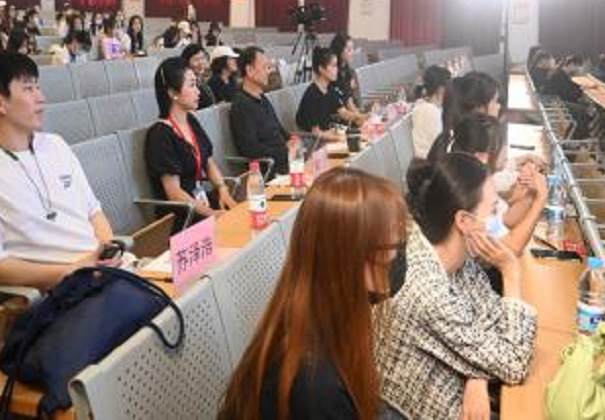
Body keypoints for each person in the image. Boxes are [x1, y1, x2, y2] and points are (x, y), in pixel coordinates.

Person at [219, 168, 407, 420]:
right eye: (393, 246)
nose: (397, 255)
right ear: (349, 257)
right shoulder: (315, 386)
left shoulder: (316, 318)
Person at [375, 154, 537, 419]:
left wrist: (476, 374)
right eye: (492, 210)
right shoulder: (427, 288)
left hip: (457, 387)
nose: (498, 219)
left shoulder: (451, 252)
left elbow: (491, 315)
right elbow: (515, 362)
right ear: (464, 221)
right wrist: (511, 272)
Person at [0, 52, 118, 289]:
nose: (41, 97)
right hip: (61, 292)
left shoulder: (56, 145)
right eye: (28, 89)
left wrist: (108, 252)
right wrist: (71, 274)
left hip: (107, 274)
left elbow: (93, 211)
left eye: (38, 87)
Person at [428, 113, 549, 257]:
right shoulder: (470, 191)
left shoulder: (471, 178)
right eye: (503, 146)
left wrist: (532, 194)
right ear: (482, 157)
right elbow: (509, 249)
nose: (507, 151)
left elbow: (503, 221)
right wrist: (540, 200)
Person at [145, 58, 237, 225]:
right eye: (192, 85)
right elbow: (174, 193)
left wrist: (222, 188)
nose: (198, 92)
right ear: (172, 92)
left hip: (201, 204)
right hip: (182, 216)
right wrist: (212, 214)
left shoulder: (191, 121)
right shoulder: (160, 135)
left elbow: (208, 162)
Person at [230, 46, 290, 176]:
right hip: (269, 170)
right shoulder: (241, 105)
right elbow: (251, 149)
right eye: (265, 67)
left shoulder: (262, 98)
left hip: (286, 162)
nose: (269, 72)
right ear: (249, 70)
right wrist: (285, 150)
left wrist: (292, 139)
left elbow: (278, 129)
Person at [296, 47, 362, 140]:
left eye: (336, 66)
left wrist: (364, 117)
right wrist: (339, 138)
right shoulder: (312, 95)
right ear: (321, 69)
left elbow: (344, 113)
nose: (337, 70)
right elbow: (316, 132)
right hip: (312, 141)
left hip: (328, 133)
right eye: (333, 66)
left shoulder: (330, 89)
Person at [411, 65, 452, 159]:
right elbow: (442, 146)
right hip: (431, 162)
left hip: (430, 159)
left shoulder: (425, 107)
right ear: (441, 89)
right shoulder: (430, 111)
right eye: (449, 86)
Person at [329, 33, 362, 110]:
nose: (352, 53)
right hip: (338, 113)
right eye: (349, 49)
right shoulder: (332, 73)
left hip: (350, 111)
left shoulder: (348, 71)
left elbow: (352, 99)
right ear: (339, 50)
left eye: (353, 49)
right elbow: (345, 102)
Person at [181, 43, 215, 109]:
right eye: (196, 60)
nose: (201, 63)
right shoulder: (187, 85)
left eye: (203, 58)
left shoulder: (202, 81)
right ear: (187, 62)